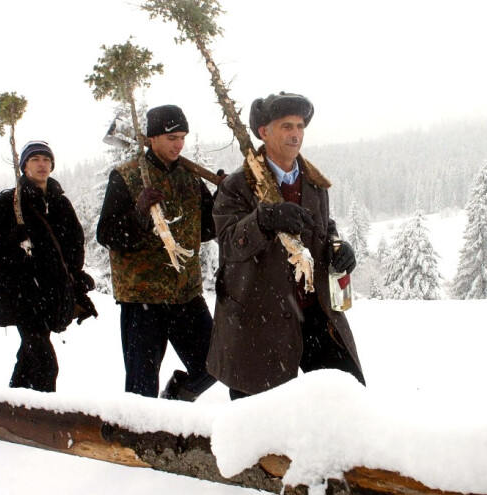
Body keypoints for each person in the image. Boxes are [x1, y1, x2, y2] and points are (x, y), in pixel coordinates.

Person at [208, 92, 366, 399]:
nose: (296, 134)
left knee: (343, 402)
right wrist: (263, 220)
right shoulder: (237, 186)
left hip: (314, 314)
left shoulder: (314, 183)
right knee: (259, 424)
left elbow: (322, 229)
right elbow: (229, 244)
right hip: (258, 322)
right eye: (286, 126)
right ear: (264, 132)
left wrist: (338, 247)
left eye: (300, 126)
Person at [96, 105, 218, 401]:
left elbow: (207, 230)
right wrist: (139, 211)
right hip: (143, 299)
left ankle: (175, 398)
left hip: (185, 294)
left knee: (215, 365)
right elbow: (107, 235)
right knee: (141, 387)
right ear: (152, 139)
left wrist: (223, 199)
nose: (179, 144)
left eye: (183, 138)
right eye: (172, 137)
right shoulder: (126, 177)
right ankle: (138, 443)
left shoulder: (190, 177)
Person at [0, 140, 97, 393]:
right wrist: (10, 243)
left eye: (46, 159)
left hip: (51, 296)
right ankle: (44, 424)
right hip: (23, 298)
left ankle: (14, 411)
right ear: (24, 165)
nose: (41, 164)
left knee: (30, 359)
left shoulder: (60, 202)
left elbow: (73, 244)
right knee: (46, 364)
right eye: (35, 159)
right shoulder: (9, 202)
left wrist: (75, 276)